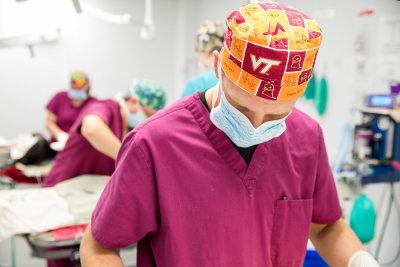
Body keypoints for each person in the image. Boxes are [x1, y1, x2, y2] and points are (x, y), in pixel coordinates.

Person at [80, 2, 380, 267]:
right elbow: (99, 245)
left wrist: (359, 260)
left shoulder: (306, 137)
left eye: (276, 114)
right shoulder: (154, 144)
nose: (256, 125)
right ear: (217, 66)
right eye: (242, 107)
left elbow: (326, 227)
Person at [43, 80, 166, 267]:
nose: (146, 120)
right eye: (147, 114)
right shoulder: (106, 106)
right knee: (62, 258)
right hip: (64, 188)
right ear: (133, 102)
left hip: (83, 194)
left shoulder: (128, 129)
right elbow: (91, 128)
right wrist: (127, 159)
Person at [46, 71, 95, 148]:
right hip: (57, 145)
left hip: (80, 147)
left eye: (80, 86)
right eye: (74, 85)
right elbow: (49, 123)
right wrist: (61, 136)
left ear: (87, 88)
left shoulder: (93, 103)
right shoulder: (60, 97)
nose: (77, 88)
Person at [181, 20, 225, 98]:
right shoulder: (233, 80)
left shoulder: (197, 84)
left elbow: (183, 110)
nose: (196, 56)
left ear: (207, 54)